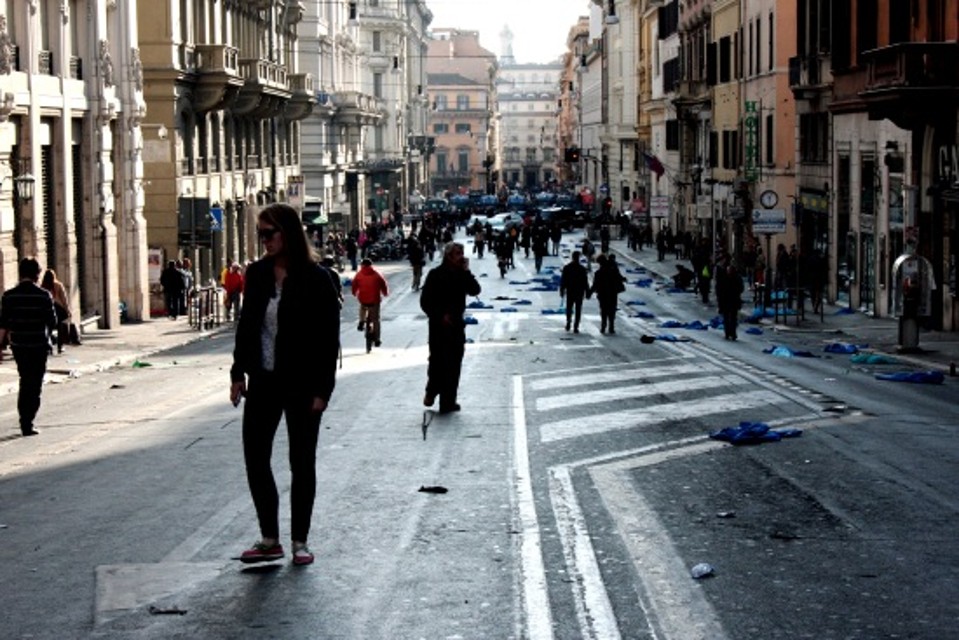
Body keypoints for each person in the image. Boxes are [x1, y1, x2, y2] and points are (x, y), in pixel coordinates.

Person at [229, 203, 341, 566]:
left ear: (288, 233)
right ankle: (269, 538)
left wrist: (323, 390)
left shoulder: (317, 278)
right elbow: (247, 327)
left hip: (303, 384)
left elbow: (328, 340)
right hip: (264, 379)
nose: (263, 241)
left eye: (269, 234)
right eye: (260, 234)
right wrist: (237, 373)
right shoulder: (257, 274)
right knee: (255, 458)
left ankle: (300, 541)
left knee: (301, 462)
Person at [420, 242, 481, 414]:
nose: (461, 256)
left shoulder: (462, 275)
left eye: (462, 253)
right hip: (438, 326)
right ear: (448, 256)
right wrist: (440, 315)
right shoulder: (435, 275)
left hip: (456, 325)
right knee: (438, 362)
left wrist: (467, 271)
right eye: (457, 254)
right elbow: (425, 302)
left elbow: (475, 290)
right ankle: (431, 391)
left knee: (454, 364)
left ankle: (448, 402)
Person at [0, 258, 58, 436]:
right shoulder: (44, 295)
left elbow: (3, 323)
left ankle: (24, 420)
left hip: (19, 345)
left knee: (25, 380)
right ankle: (28, 421)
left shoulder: (9, 296)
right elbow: (53, 321)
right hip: (38, 345)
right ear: (37, 274)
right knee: (35, 384)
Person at [350, 257, 389, 347]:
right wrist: (385, 293)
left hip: (363, 299)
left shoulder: (359, 274)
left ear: (362, 265)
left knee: (362, 307)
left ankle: (362, 321)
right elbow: (383, 284)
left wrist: (354, 293)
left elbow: (354, 285)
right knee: (376, 320)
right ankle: (377, 339)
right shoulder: (377, 274)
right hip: (375, 300)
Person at [589, 254, 626, 334]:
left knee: (603, 310)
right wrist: (623, 279)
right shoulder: (613, 269)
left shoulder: (599, 273)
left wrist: (590, 293)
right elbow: (619, 277)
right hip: (613, 293)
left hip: (603, 294)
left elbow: (595, 284)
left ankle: (603, 326)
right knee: (612, 310)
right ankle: (611, 326)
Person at [40, 269, 71, 354]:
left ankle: (48, 346)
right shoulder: (58, 285)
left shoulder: (43, 286)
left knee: (48, 328)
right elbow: (64, 298)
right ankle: (60, 346)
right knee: (60, 327)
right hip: (58, 308)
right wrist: (67, 309)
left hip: (47, 308)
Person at [559, 251, 590, 333]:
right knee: (578, 309)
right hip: (579, 291)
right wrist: (587, 292)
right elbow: (585, 282)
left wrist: (562, 290)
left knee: (569, 307)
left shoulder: (567, 268)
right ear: (578, 258)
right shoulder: (582, 269)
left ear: (572, 257)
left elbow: (563, 280)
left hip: (570, 290)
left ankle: (568, 320)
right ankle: (576, 326)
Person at [716, 263, 744, 340]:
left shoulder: (725, 278)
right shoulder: (735, 278)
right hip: (730, 300)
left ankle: (729, 332)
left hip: (729, 300)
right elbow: (741, 288)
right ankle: (730, 332)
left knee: (729, 318)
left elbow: (719, 290)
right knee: (731, 318)